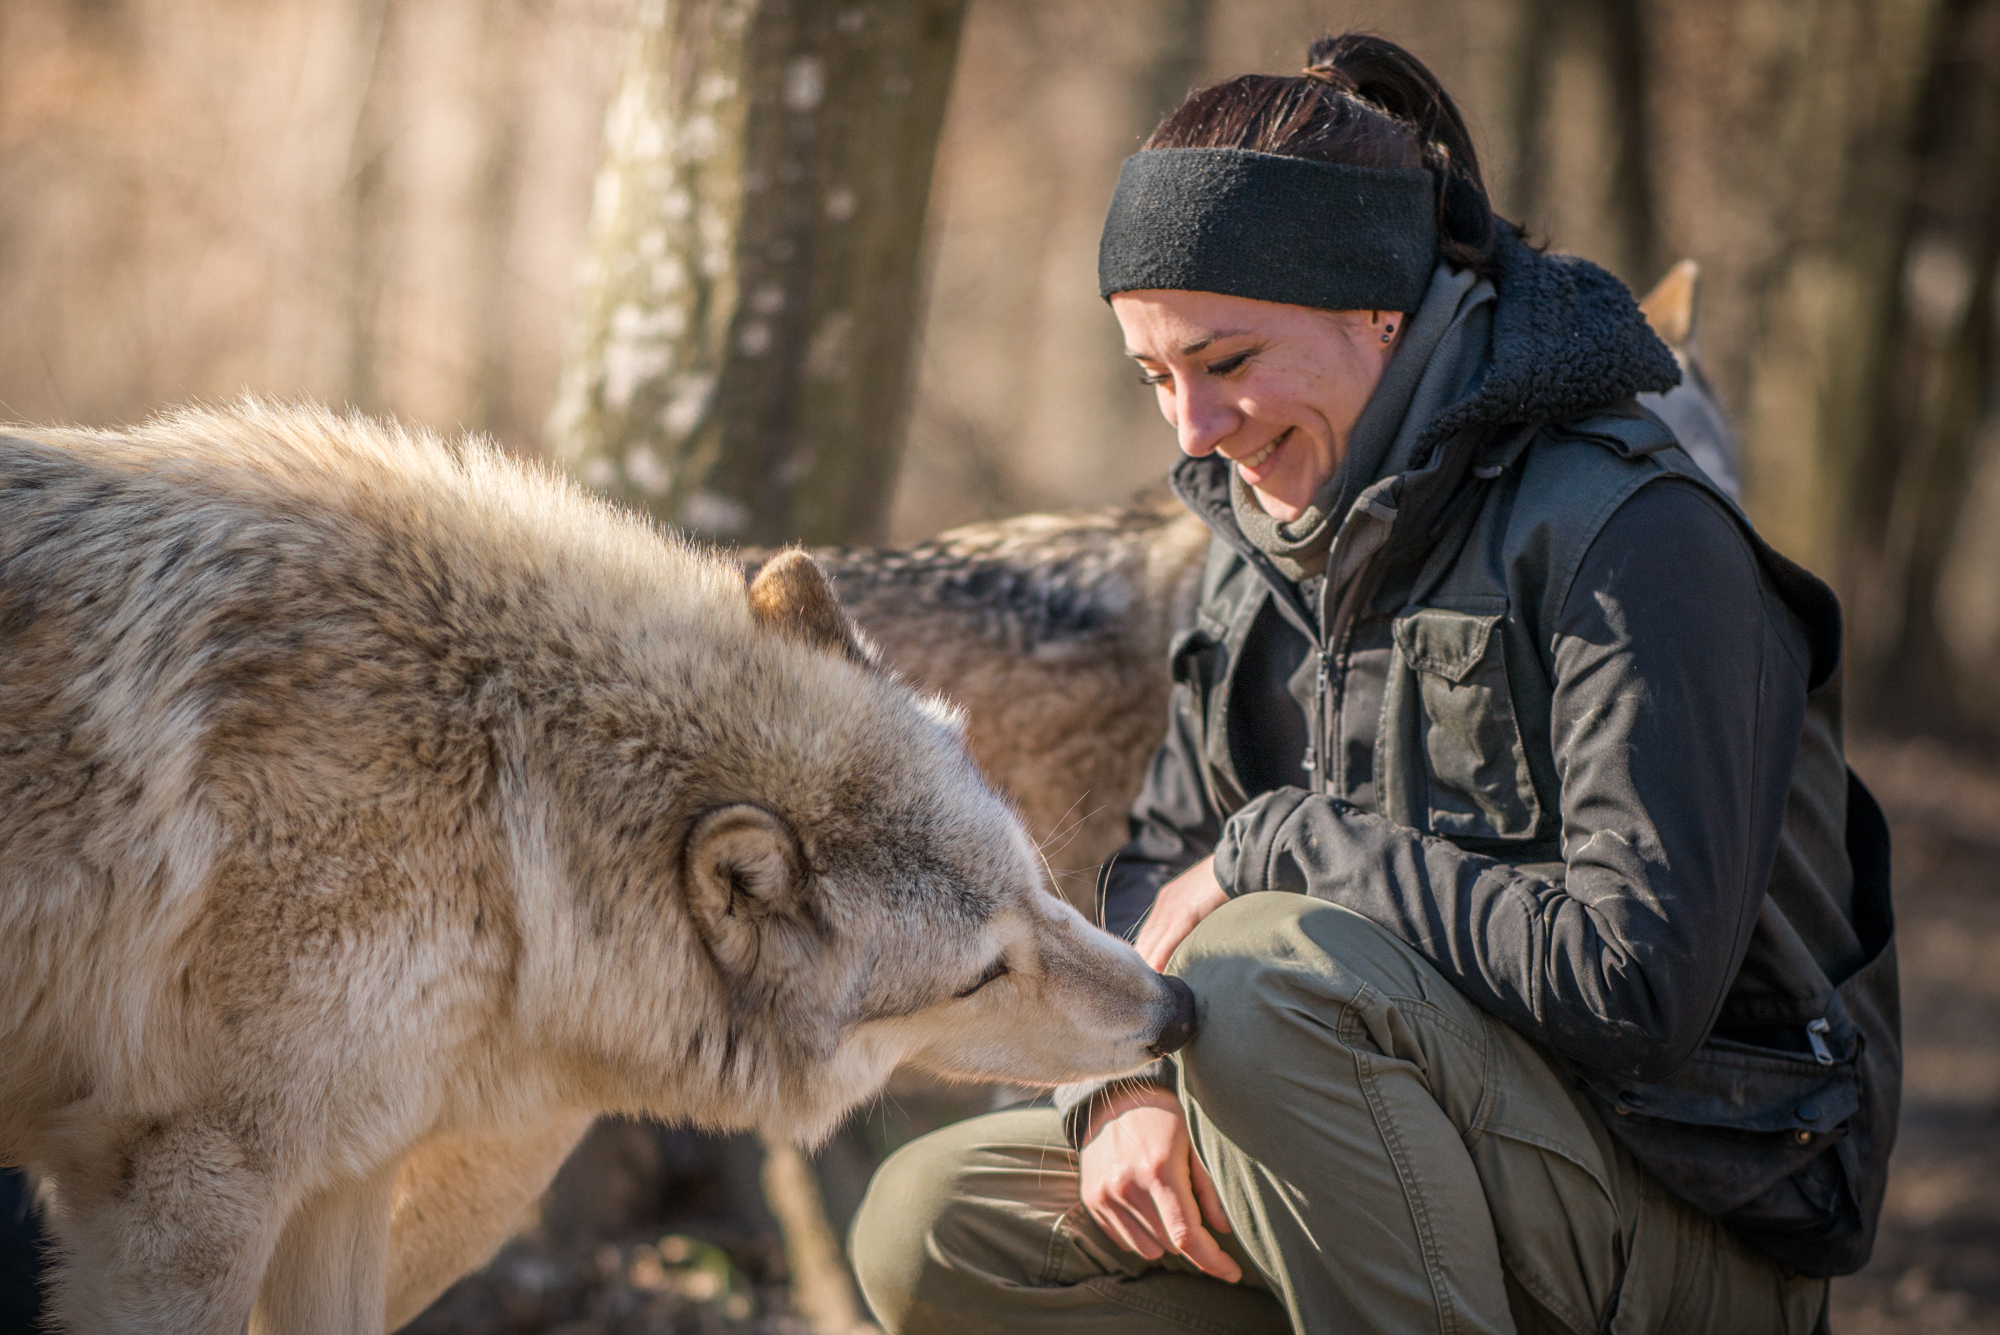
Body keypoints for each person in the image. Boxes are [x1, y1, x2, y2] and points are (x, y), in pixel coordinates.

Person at [847, 32, 1898, 1335]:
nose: (1192, 430)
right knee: (936, 1225)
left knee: (1256, 968)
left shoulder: (1633, 536)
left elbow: (1639, 985)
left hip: (1682, 1206)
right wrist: (1118, 1092)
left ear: (1376, 313)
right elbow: (1159, 866)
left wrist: (1283, 848)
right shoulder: (1259, 544)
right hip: (1381, 1145)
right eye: (1157, 378)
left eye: (1228, 364)